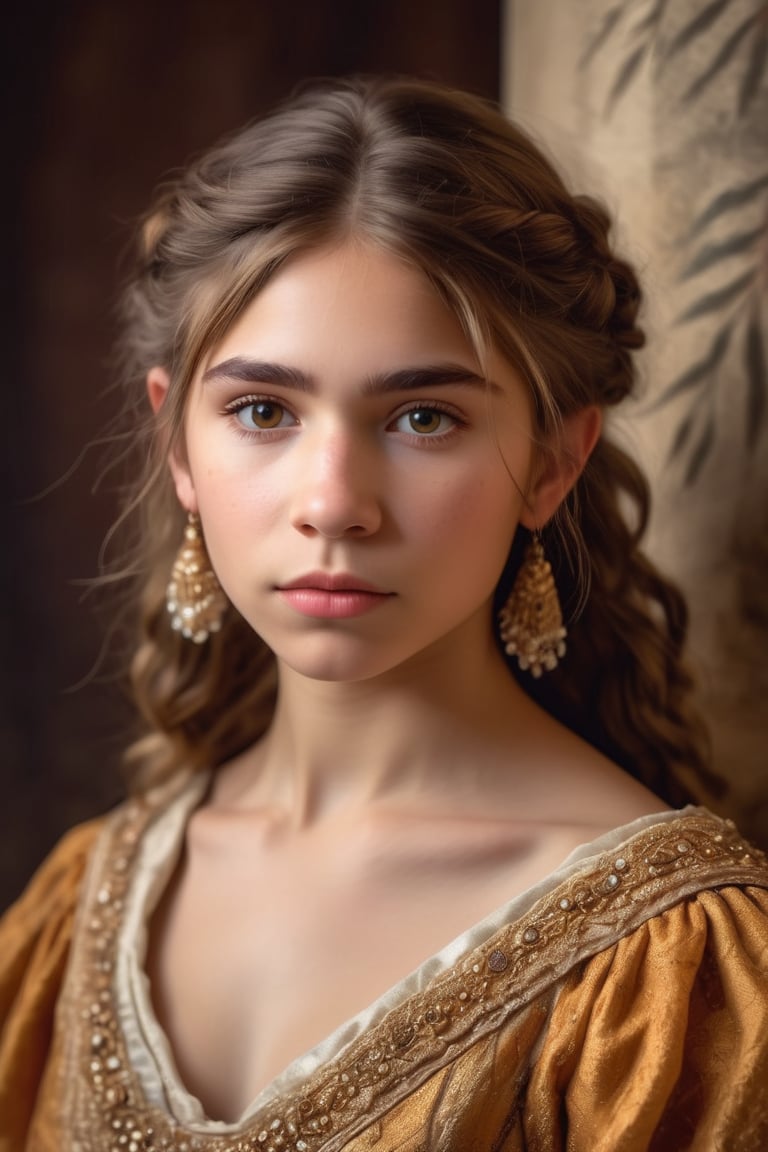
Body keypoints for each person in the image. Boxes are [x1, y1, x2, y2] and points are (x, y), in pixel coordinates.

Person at [1, 75, 766, 1152]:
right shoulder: (76, 912)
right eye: (263, 410)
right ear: (178, 442)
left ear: (552, 461)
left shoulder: (668, 978)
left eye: (421, 417)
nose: (332, 504)